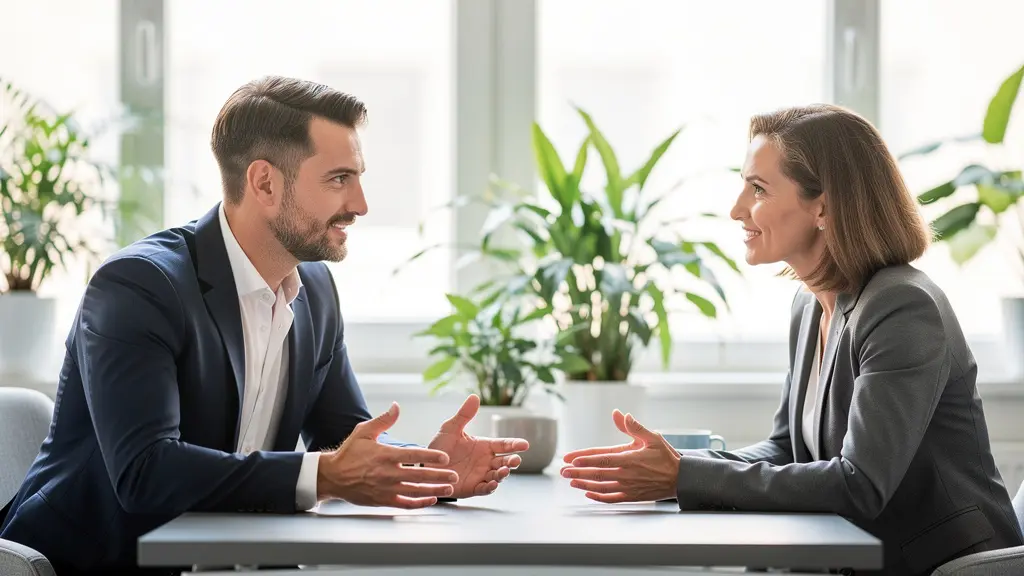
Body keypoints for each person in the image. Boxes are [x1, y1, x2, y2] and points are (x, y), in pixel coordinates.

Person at [0, 75, 529, 575]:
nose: (360, 205)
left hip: (237, 563)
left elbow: (343, 439)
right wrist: (324, 474)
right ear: (264, 183)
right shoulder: (138, 287)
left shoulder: (315, 290)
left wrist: (431, 470)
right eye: (339, 179)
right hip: (88, 565)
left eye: (358, 178)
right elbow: (146, 473)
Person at [559, 104, 1024, 575]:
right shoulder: (810, 305)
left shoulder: (902, 306)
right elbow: (785, 448)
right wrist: (674, 467)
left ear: (822, 206)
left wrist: (685, 475)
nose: (737, 208)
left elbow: (859, 484)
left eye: (757, 189)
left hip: (945, 566)